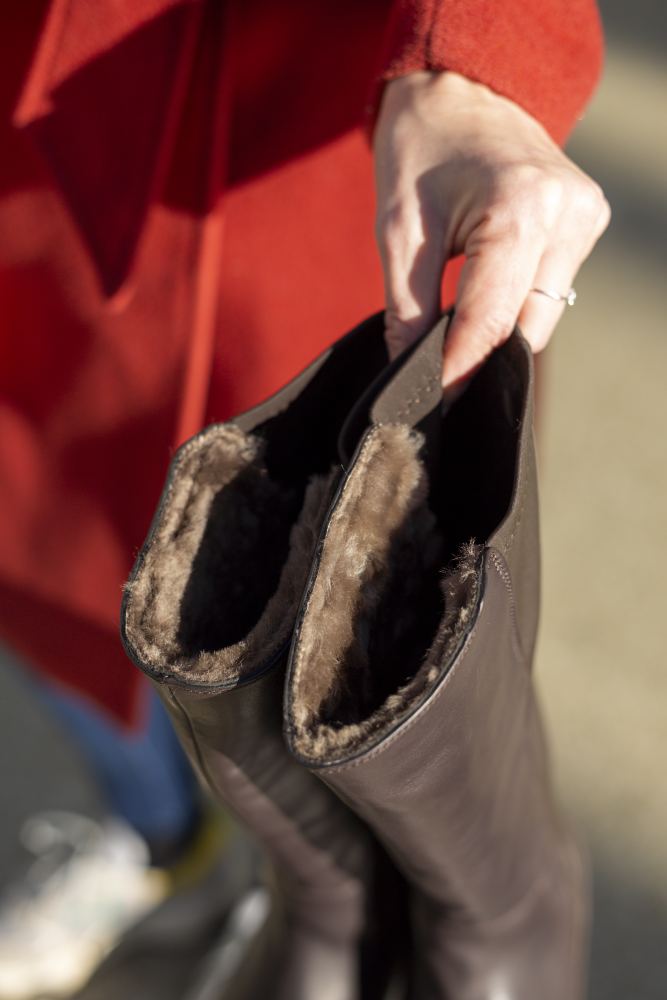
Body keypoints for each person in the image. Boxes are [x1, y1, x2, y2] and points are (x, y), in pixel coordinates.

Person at [0, 1, 609, 996]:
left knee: (372, 591)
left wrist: (471, 48)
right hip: (36, 167)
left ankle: (443, 898)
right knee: (49, 569)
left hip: (319, 132)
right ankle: (167, 846)